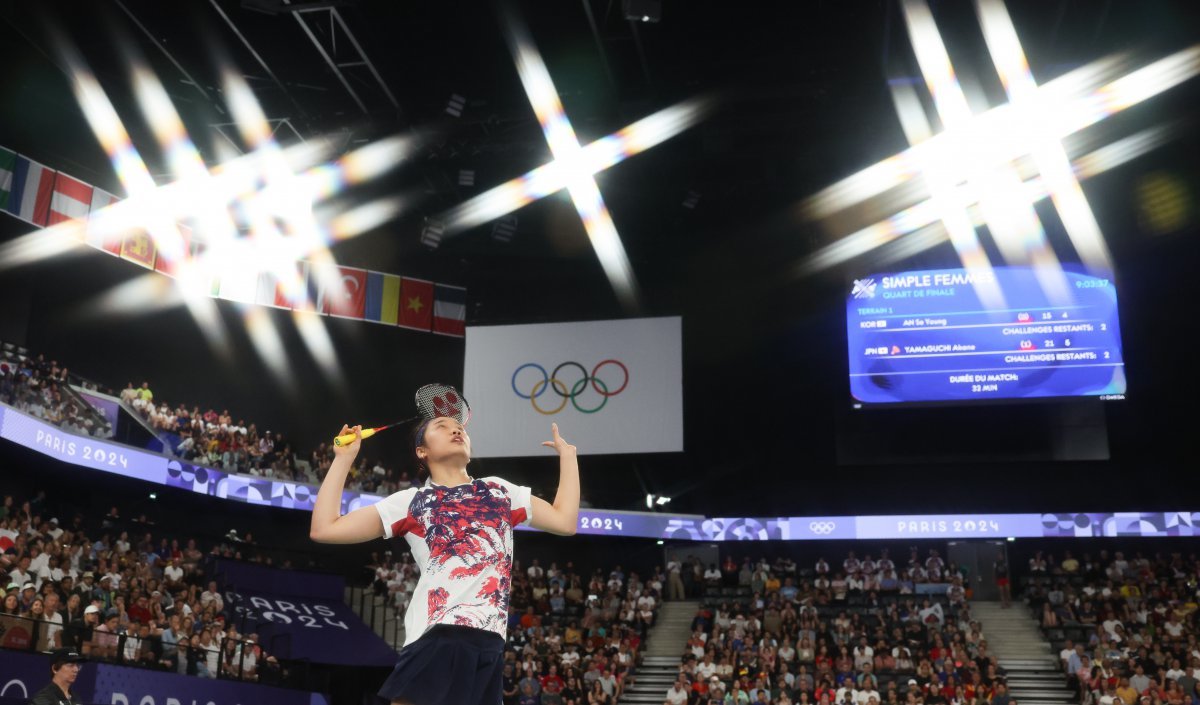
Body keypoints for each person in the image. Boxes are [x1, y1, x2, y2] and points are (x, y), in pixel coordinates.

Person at [309, 406, 580, 705]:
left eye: (459, 427)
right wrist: (343, 459)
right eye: (441, 425)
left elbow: (565, 521)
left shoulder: (500, 492)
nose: (456, 429)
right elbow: (325, 529)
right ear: (422, 451)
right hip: (439, 633)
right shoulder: (412, 502)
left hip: (490, 643)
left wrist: (568, 458)